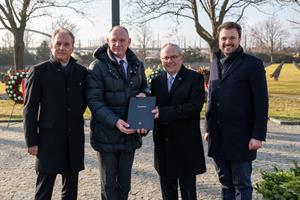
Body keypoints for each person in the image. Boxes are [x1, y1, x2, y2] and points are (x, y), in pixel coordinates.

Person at [204, 22, 269, 200]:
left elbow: (262, 102)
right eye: (224, 38)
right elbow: (211, 97)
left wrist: (258, 135)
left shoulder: (253, 64)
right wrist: (207, 128)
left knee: (242, 184)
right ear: (219, 40)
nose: (228, 42)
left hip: (242, 137)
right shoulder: (215, 62)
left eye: (232, 38)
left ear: (239, 39)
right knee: (225, 184)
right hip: (217, 136)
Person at [86, 25, 150, 200]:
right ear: (107, 41)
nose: (117, 44)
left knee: (124, 185)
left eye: (122, 40)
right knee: (108, 187)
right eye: (113, 40)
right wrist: (115, 122)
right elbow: (94, 101)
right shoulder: (97, 66)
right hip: (106, 134)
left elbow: (144, 86)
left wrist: (145, 93)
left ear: (129, 42)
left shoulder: (137, 64)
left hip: (130, 133)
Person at [23, 28, 87, 200]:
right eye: (58, 43)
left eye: (66, 44)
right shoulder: (39, 71)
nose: (62, 47)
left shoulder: (81, 72)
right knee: (44, 190)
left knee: (70, 190)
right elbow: (29, 109)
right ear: (51, 45)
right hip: (48, 141)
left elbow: (83, 103)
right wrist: (32, 140)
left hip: (73, 139)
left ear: (73, 47)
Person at [151, 43, 206, 200]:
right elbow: (151, 108)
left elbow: (194, 107)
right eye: (165, 57)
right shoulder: (156, 81)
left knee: (188, 192)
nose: (170, 60)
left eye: (173, 57)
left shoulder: (194, 78)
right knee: (167, 192)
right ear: (161, 60)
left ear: (181, 58)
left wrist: (163, 113)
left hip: (185, 145)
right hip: (163, 144)